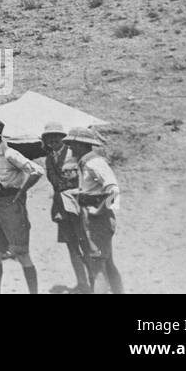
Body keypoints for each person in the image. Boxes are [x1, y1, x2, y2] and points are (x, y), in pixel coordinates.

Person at [0, 116, 44, 294]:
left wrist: (22, 192)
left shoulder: (9, 154)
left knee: (21, 253)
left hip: (12, 205)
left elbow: (37, 171)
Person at [67, 127, 124, 294]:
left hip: (98, 220)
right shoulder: (86, 164)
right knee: (107, 263)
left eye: (73, 145)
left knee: (96, 266)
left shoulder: (94, 163)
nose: (71, 148)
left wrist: (99, 210)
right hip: (93, 218)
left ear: (83, 146)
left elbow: (113, 189)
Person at [41, 120, 90, 293]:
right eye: (49, 139)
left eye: (57, 138)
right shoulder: (49, 158)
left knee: (85, 244)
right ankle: (82, 282)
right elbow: (54, 181)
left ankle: (94, 282)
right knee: (71, 245)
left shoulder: (73, 154)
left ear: (63, 138)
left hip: (76, 205)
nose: (53, 141)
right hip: (62, 208)